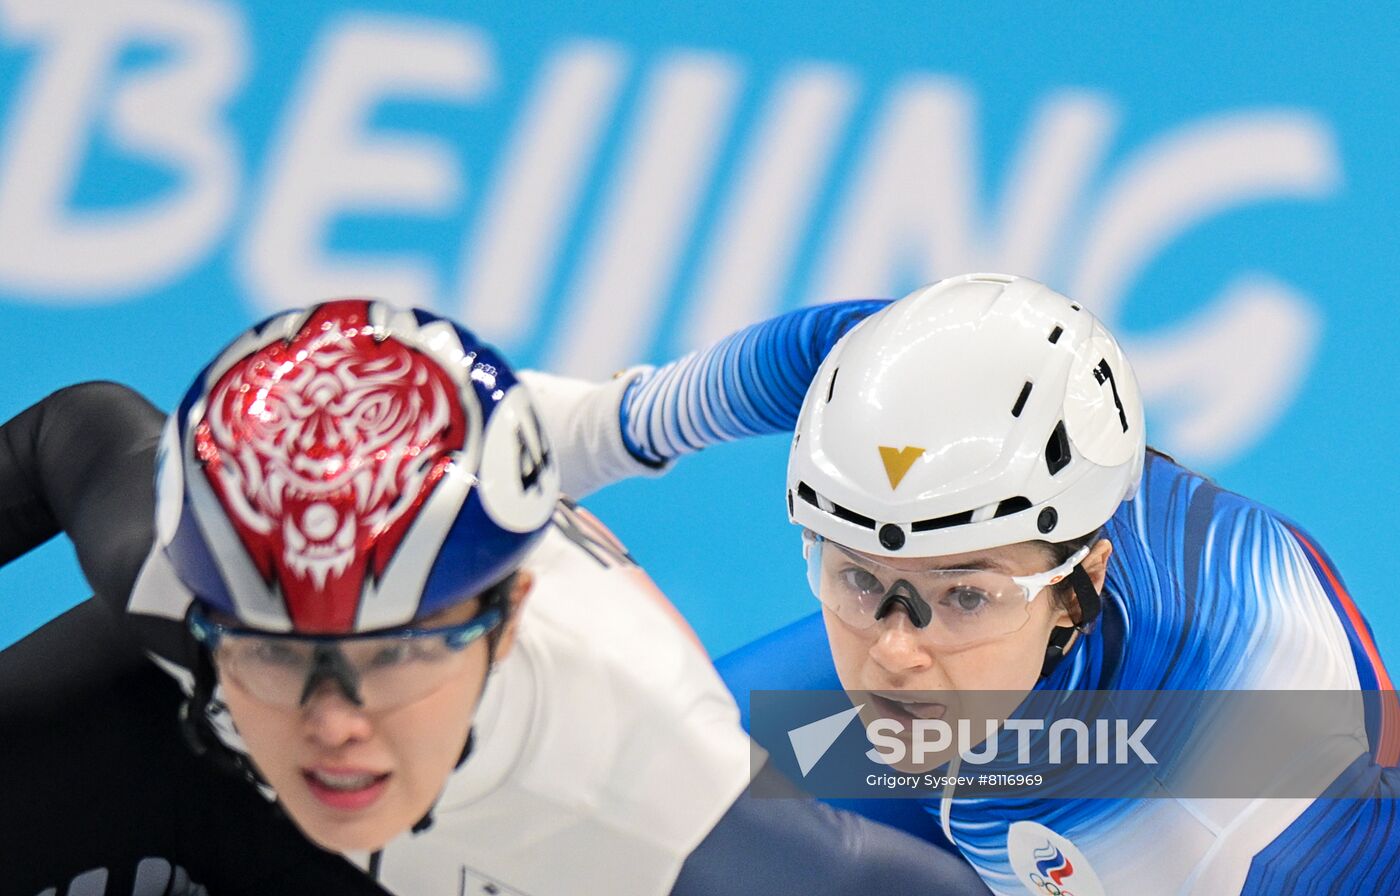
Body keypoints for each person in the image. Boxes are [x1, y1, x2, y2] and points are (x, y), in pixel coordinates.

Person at [0, 299, 987, 895]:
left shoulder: (647, 790)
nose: (333, 724)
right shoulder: (165, 571)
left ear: (507, 617)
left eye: (392, 654)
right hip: (181, 760)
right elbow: (67, 429)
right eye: (279, 652)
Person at [711, 273, 1400, 895]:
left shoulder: (1211, 830)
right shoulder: (975, 430)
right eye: (859, 578)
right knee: (661, 783)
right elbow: (823, 349)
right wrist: (620, 426)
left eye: (965, 594)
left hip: (1155, 801)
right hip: (1004, 708)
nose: (894, 653)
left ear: (1077, 590)